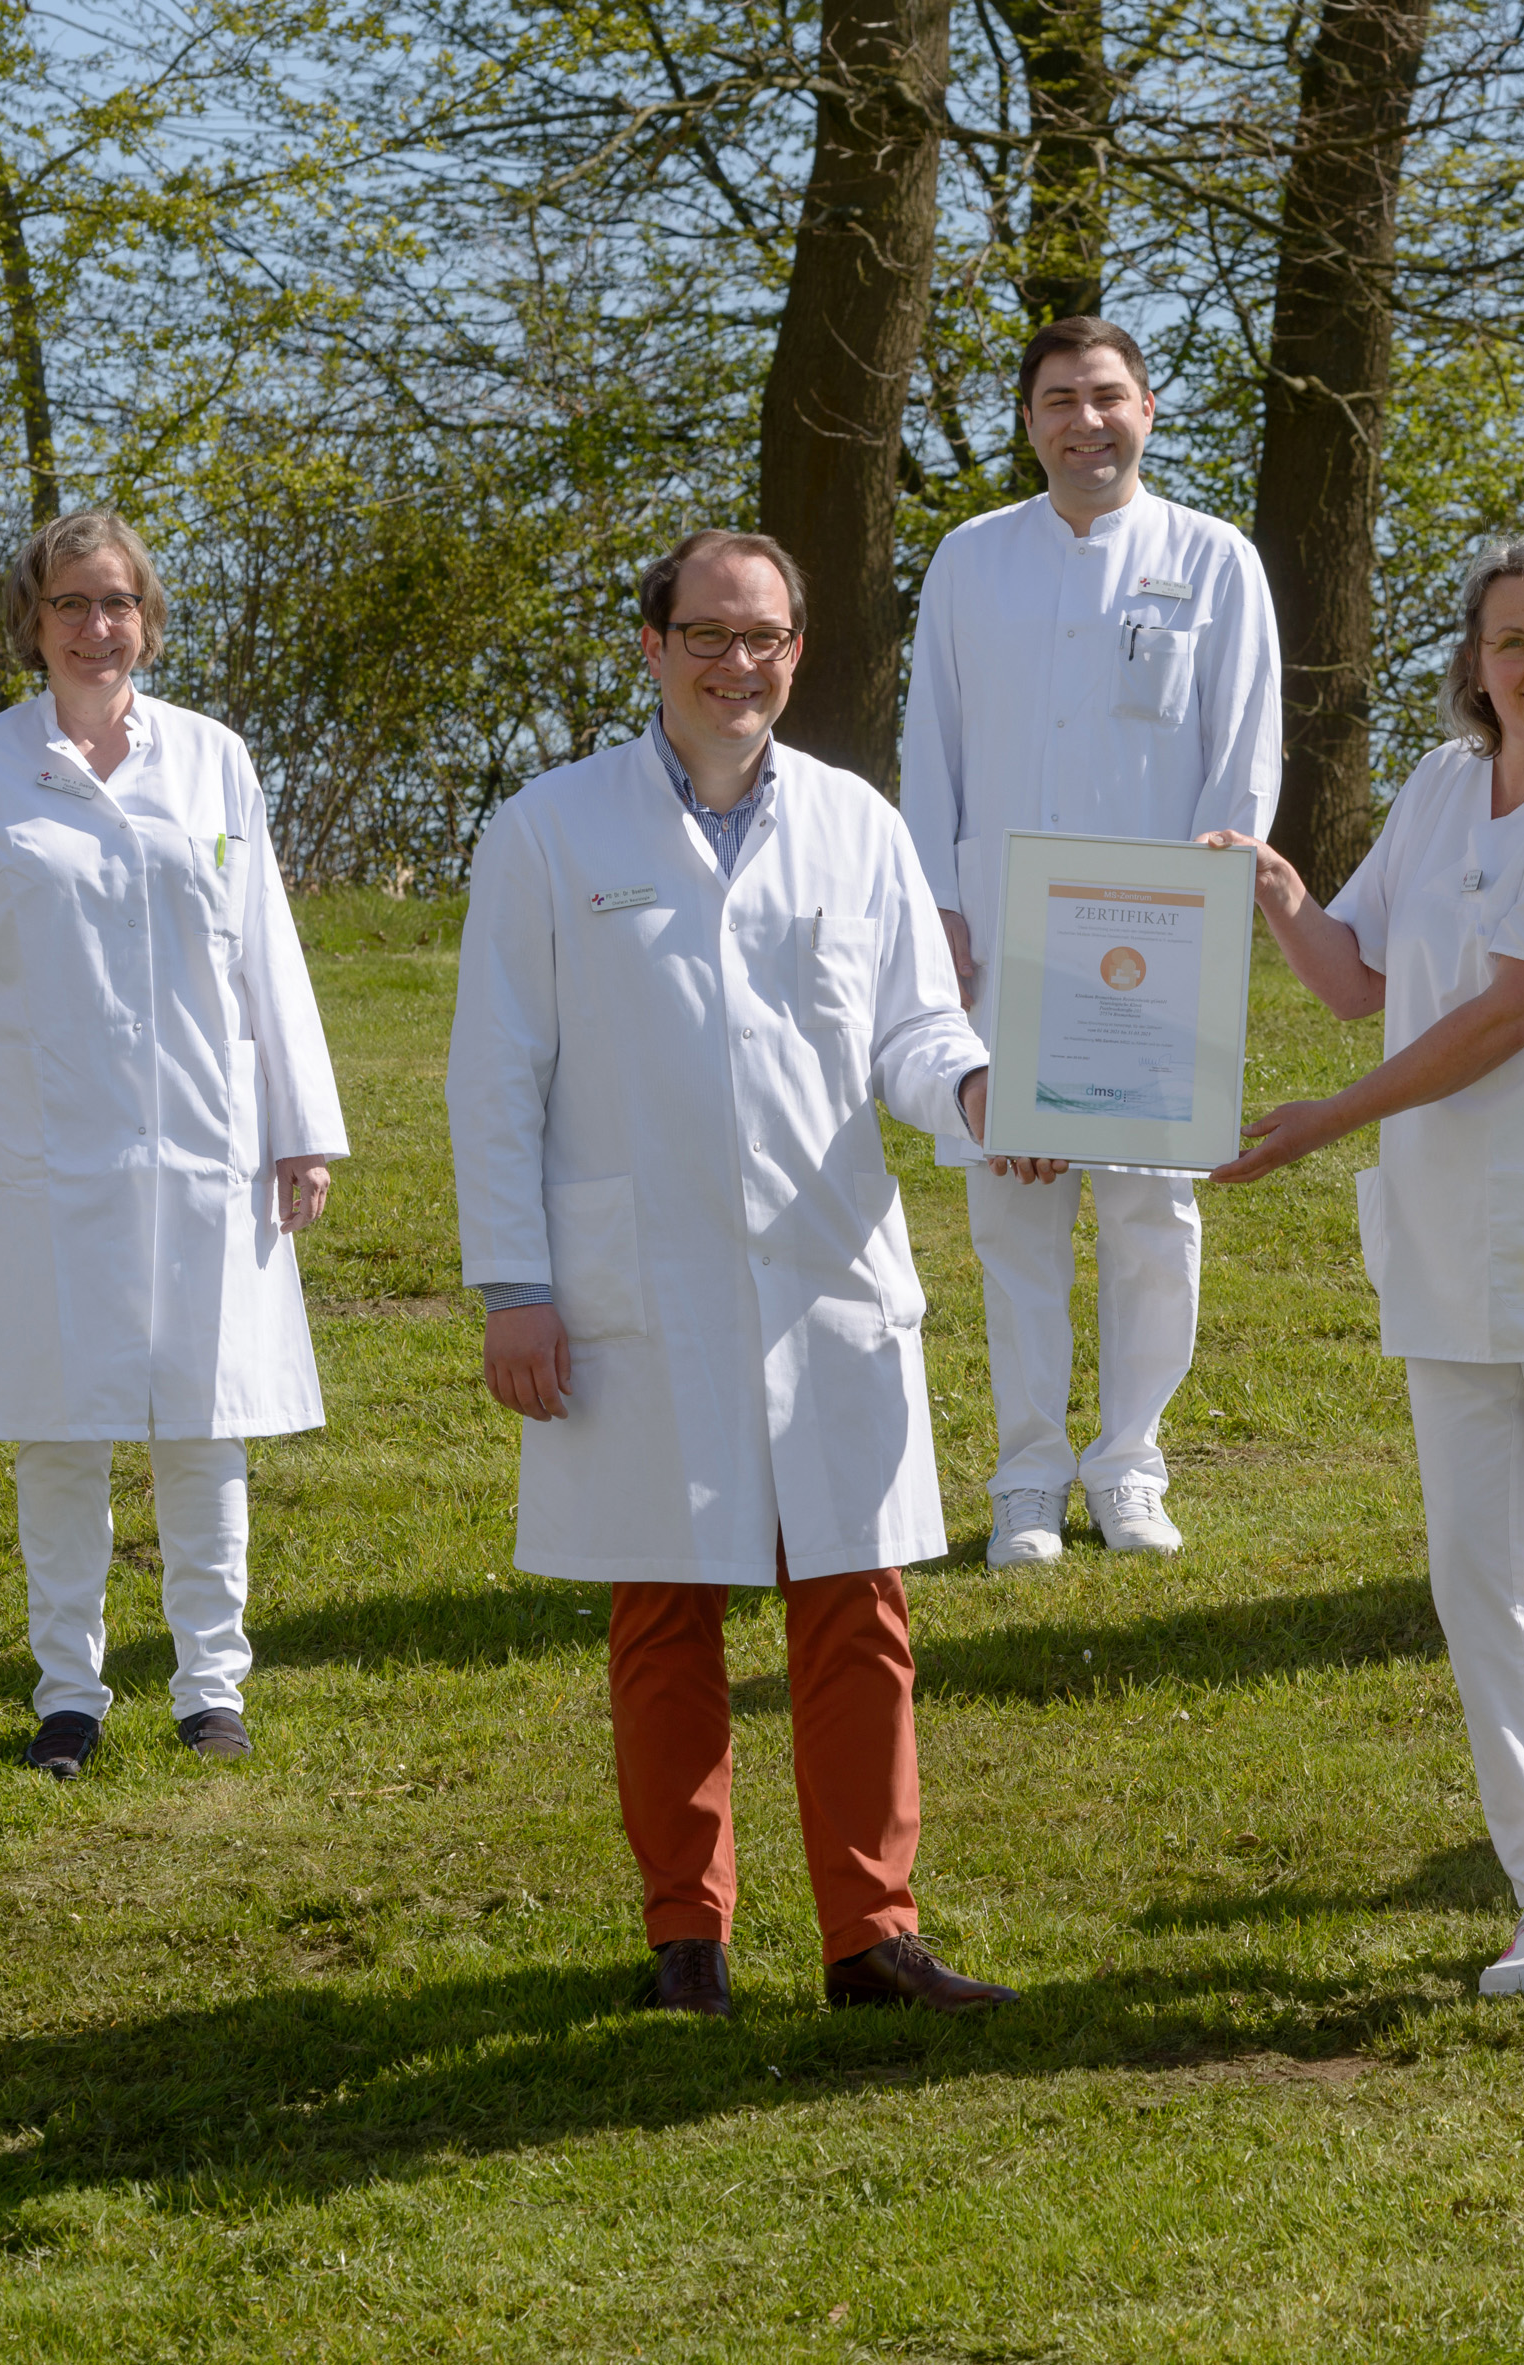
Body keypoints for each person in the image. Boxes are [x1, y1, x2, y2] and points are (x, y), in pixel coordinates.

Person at [449, 528, 1035, 2016]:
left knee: (858, 1606)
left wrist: (978, 1104)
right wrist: (516, 1280)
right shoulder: (549, 831)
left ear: (797, 652)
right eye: (706, 634)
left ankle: (871, 1935)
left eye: (764, 636)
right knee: (663, 1611)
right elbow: (495, 1072)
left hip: (826, 1273)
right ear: (650, 648)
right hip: (634, 1281)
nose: (737, 662)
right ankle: (683, 1940)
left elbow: (912, 1030)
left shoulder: (854, 824)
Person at [1206, 536, 1524, 2009]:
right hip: (1446, 1243)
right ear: (1473, 664)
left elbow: (1516, 1010)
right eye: (1510, 642)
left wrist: (1326, 1122)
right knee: (1480, 1570)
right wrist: (1271, 886)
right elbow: (1356, 975)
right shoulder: (1441, 788)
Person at [0, 509, 348, 1778]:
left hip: (205, 1141)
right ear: (33, 623)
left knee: (205, 1416)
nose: (98, 628)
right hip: (43, 1149)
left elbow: (268, 953)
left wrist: (301, 1128)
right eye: (72, 605)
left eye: (118, 603)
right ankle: (68, 1692)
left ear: (147, 617)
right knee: (58, 1422)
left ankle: (212, 1685)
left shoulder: (212, 762)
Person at [897, 317, 1284, 1569]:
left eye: (1108, 396)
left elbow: (1243, 754)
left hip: (1152, 947)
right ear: (1029, 421)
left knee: (1150, 1214)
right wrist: (936, 911)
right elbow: (931, 750)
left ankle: (1130, 1463)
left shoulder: (1215, 560)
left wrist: (1211, 908)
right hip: (999, 943)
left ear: (1148, 411)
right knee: (1014, 1216)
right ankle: (1025, 1479)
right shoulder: (971, 559)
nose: (1086, 421)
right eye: (1059, 398)